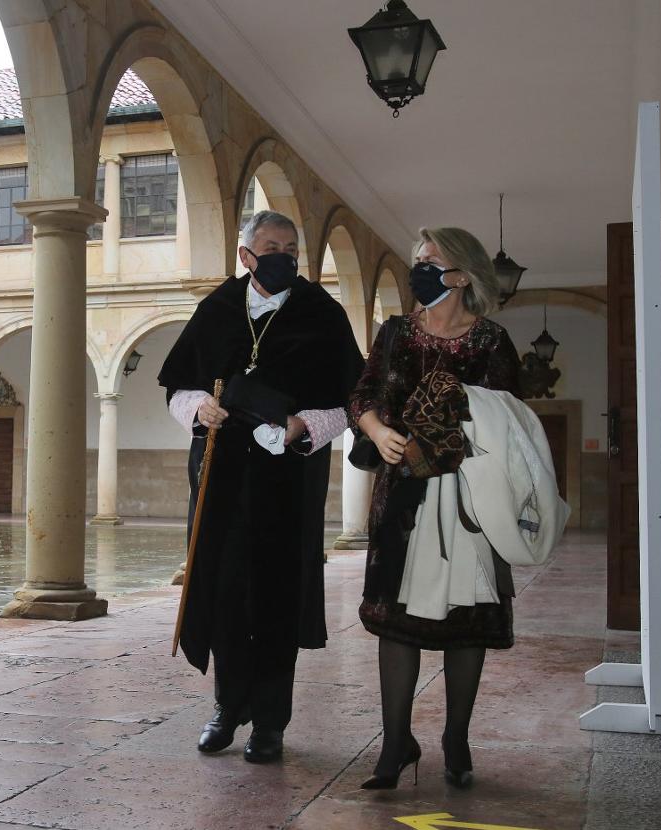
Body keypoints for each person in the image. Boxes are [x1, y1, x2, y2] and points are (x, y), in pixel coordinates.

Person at [158, 210, 364, 763]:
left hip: (286, 481)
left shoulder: (323, 314)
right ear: (246, 255)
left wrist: (305, 427)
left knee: (275, 597)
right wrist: (200, 409)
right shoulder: (216, 311)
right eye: (270, 246)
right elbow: (178, 384)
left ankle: (270, 722)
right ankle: (228, 707)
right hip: (221, 478)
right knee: (225, 595)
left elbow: (351, 400)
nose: (283, 256)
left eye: (291, 248)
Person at [349, 226, 522, 790]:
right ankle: (394, 744)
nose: (419, 269)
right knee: (397, 622)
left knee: (465, 620)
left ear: (462, 276)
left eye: (431, 261)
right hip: (401, 496)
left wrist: (449, 431)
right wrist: (377, 431)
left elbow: (506, 418)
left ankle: (455, 737)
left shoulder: (492, 341)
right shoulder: (395, 332)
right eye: (416, 260)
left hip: (469, 497)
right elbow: (364, 394)